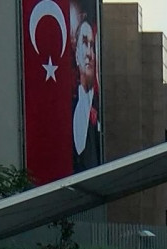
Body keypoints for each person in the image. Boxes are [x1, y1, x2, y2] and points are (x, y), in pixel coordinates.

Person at [71, 3, 101, 173]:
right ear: (76, 55)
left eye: (92, 45)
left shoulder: (98, 108)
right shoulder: (70, 108)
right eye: (84, 43)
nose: (89, 52)